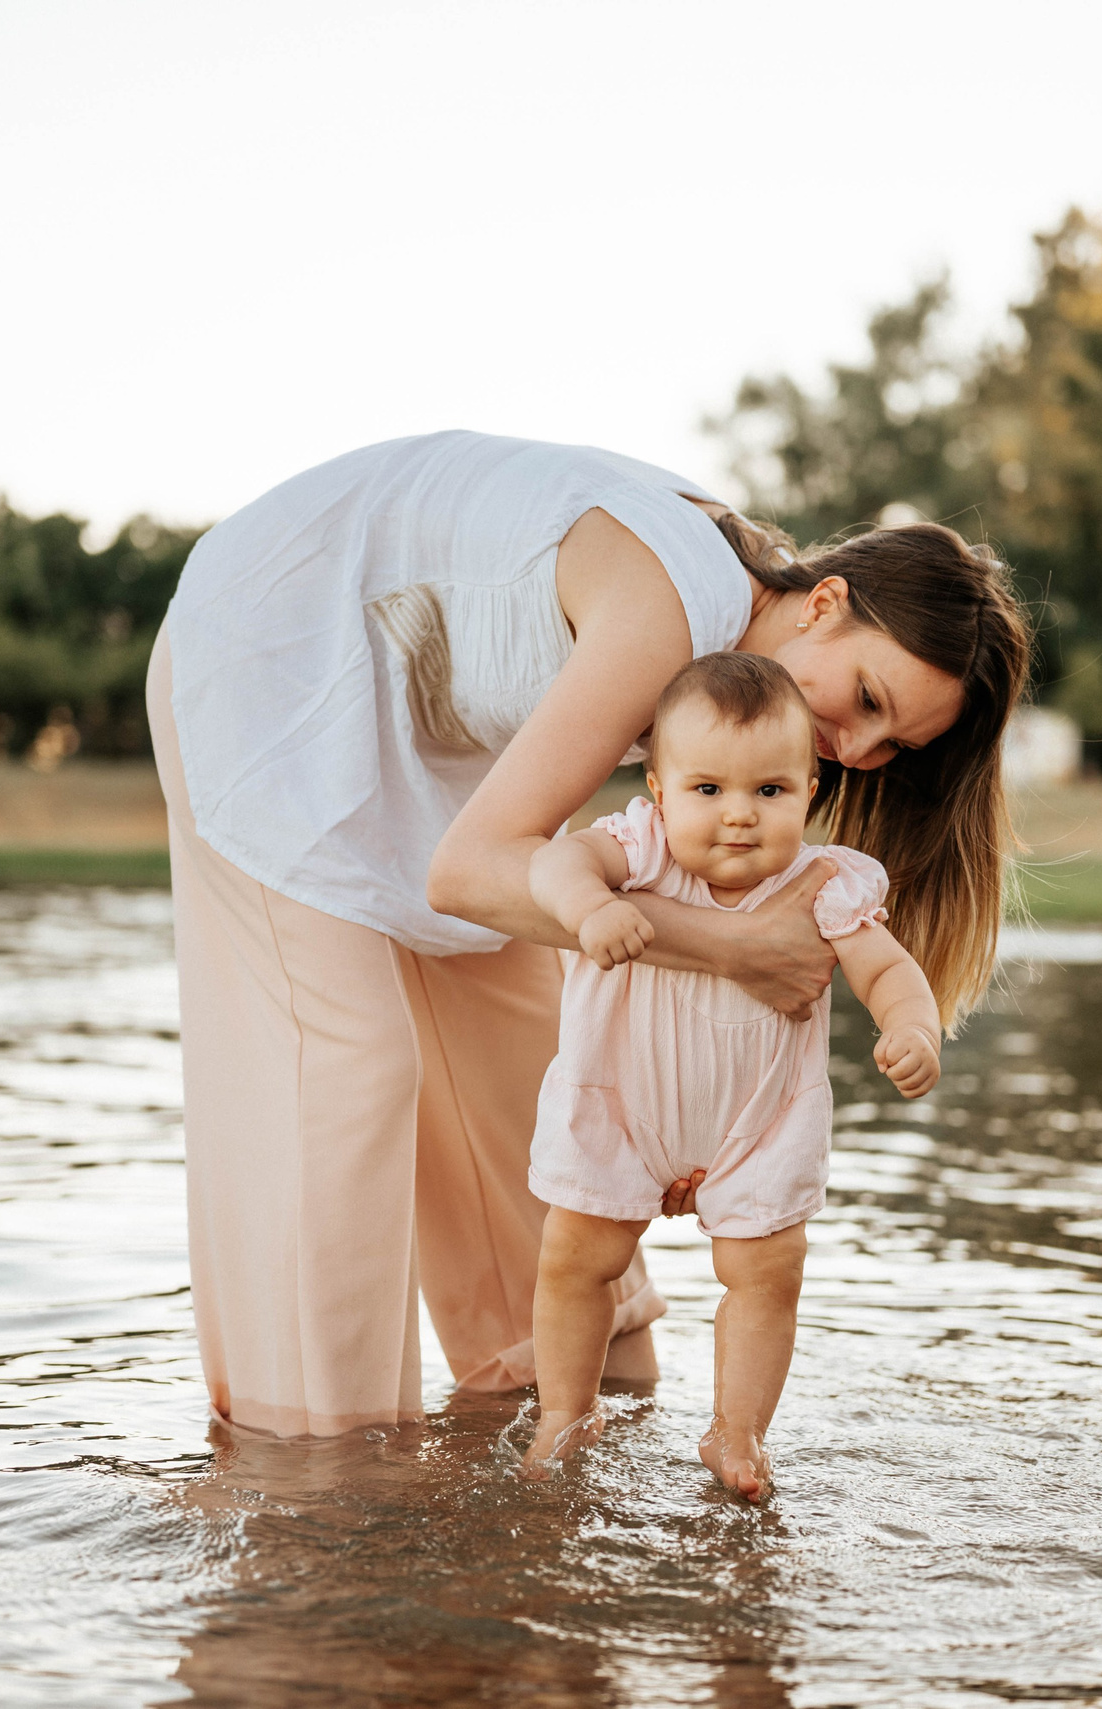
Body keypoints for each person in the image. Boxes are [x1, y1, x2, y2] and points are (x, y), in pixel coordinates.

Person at [147, 430, 1028, 1439]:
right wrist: (730, 945)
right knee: (351, 1063)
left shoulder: (730, 664)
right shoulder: (675, 606)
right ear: (824, 602)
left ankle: (571, 1398)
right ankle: (315, 1464)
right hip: (274, 650)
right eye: (869, 699)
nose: (859, 751)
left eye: (891, 744)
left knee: (536, 1059)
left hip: (418, 713)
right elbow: (468, 872)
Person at [522, 652, 942, 1499]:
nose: (740, 816)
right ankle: (564, 1413)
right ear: (662, 789)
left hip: (760, 1122)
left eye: (770, 791)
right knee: (575, 1259)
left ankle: (737, 1430)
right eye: (709, 791)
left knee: (770, 1271)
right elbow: (552, 864)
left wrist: (912, 1024)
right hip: (622, 1108)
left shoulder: (825, 883)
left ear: (810, 791)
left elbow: (888, 967)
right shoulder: (637, 850)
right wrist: (593, 907)